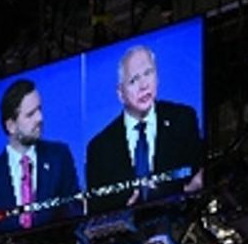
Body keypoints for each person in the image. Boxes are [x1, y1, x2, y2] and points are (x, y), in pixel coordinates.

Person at [84, 43, 203, 213]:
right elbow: (96, 214)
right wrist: (125, 213)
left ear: (157, 76)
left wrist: (188, 191)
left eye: (148, 73)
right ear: (120, 93)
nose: (143, 85)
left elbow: (200, 173)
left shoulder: (182, 118)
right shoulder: (99, 147)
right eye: (133, 80)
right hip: (127, 237)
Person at [0, 78, 81, 231]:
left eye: (39, 109)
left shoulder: (59, 156)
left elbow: (75, 212)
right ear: (11, 126)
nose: (40, 118)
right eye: (30, 114)